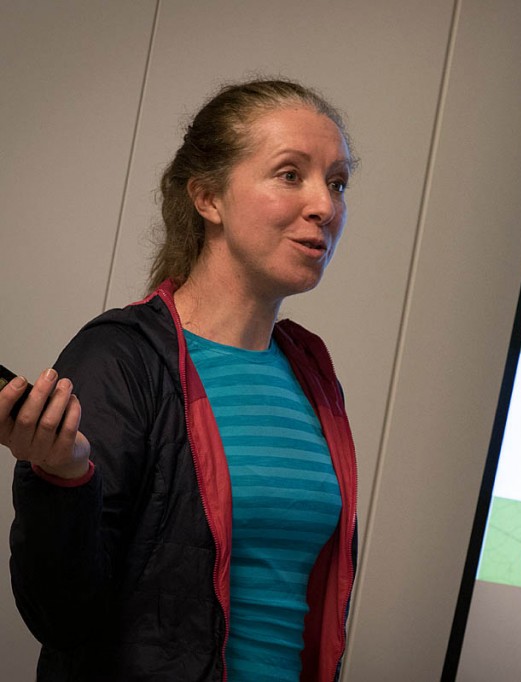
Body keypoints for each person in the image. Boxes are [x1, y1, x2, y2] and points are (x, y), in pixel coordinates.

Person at [0, 79, 358, 681]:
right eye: (290, 174)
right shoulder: (122, 357)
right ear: (208, 197)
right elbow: (61, 618)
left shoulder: (310, 371)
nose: (325, 205)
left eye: (338, 182)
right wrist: (62, 480)